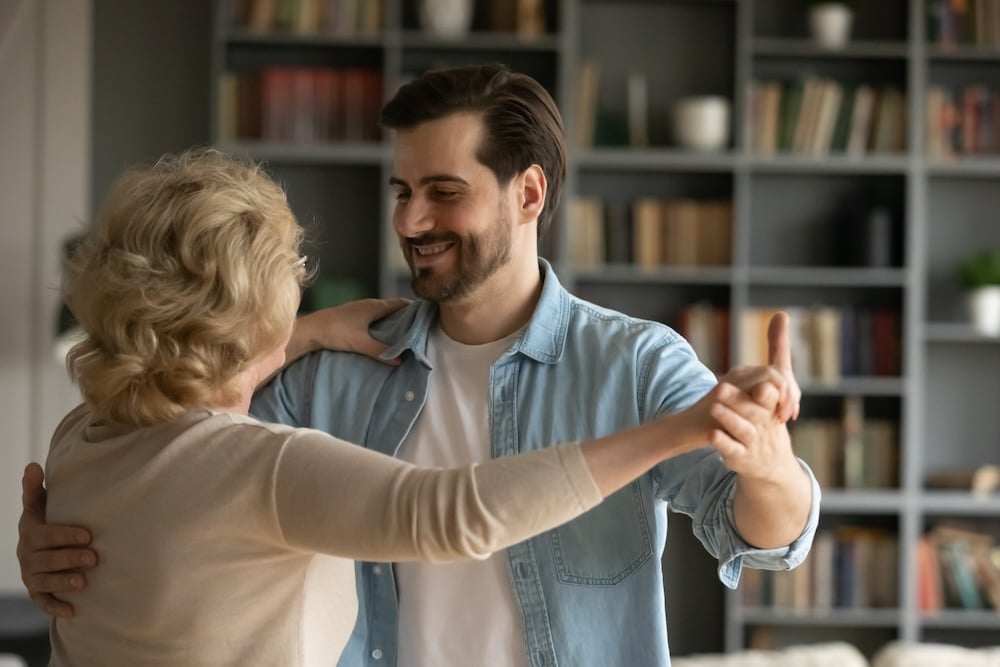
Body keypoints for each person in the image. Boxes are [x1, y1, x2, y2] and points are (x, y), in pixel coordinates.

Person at [18, 65, 819, 666]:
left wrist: (769, 466)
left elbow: (767, 536)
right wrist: (65, 540)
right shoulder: (336, 366)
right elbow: (169, 449)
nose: (410, 219)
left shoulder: (636, 363)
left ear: (528, 193)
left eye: (443, 191)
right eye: (402, 190)